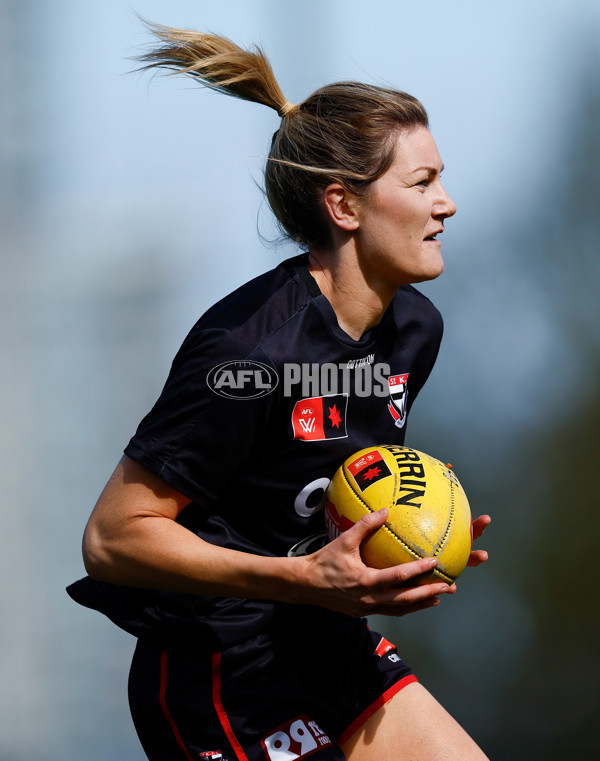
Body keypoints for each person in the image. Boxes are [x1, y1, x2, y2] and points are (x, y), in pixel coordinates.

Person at [68, 20, 491, 761]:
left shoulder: (416, 330)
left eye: (441, 179)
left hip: (330, 645)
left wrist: (412, 532)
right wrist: (299, 577)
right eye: (422, 183)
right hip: (220, 670)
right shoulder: (248, 351)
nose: (447, 203)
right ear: (344, 207)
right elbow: (112, 536)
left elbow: (335, 483)